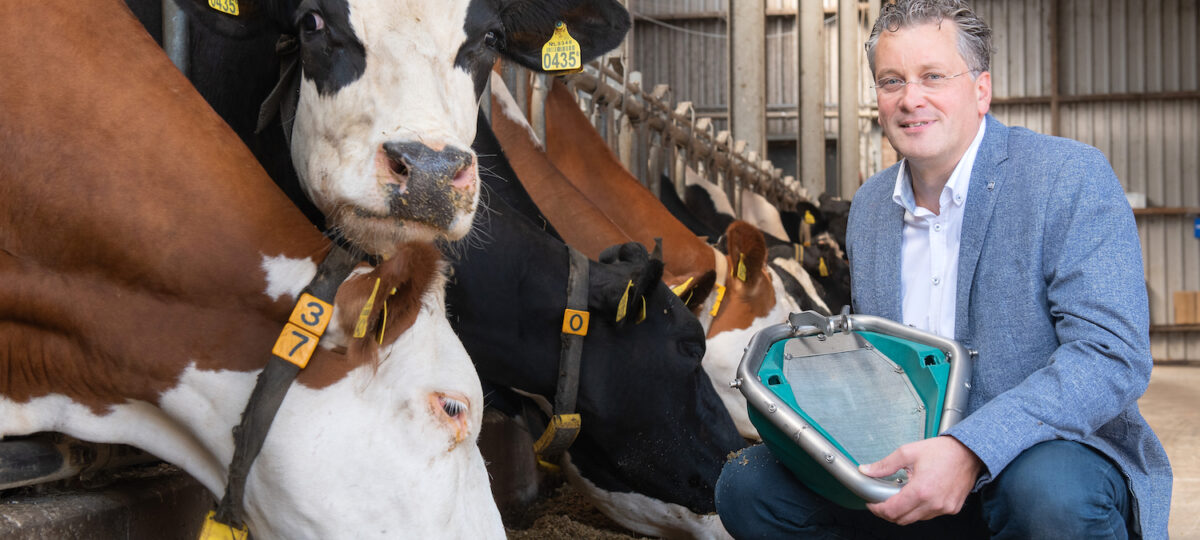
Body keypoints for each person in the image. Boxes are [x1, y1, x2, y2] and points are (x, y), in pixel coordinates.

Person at [714, 1, 1172, 538]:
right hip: (905, 456)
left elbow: (1111, 355)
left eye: (933, 76)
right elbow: (878, 357)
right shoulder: (869, 207)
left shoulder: (1066, 177)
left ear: (981, 90)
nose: (911, 99)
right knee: (748, 486)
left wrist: (970, 448)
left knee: (1047, 493)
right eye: (891, 81)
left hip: (1040, 455)